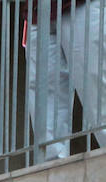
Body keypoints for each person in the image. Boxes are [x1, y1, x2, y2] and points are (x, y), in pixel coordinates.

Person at [25, 0, 106, 161]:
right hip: (38, 11)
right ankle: (52, 172)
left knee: (94, 85)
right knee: (43, 95)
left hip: (83, 4)